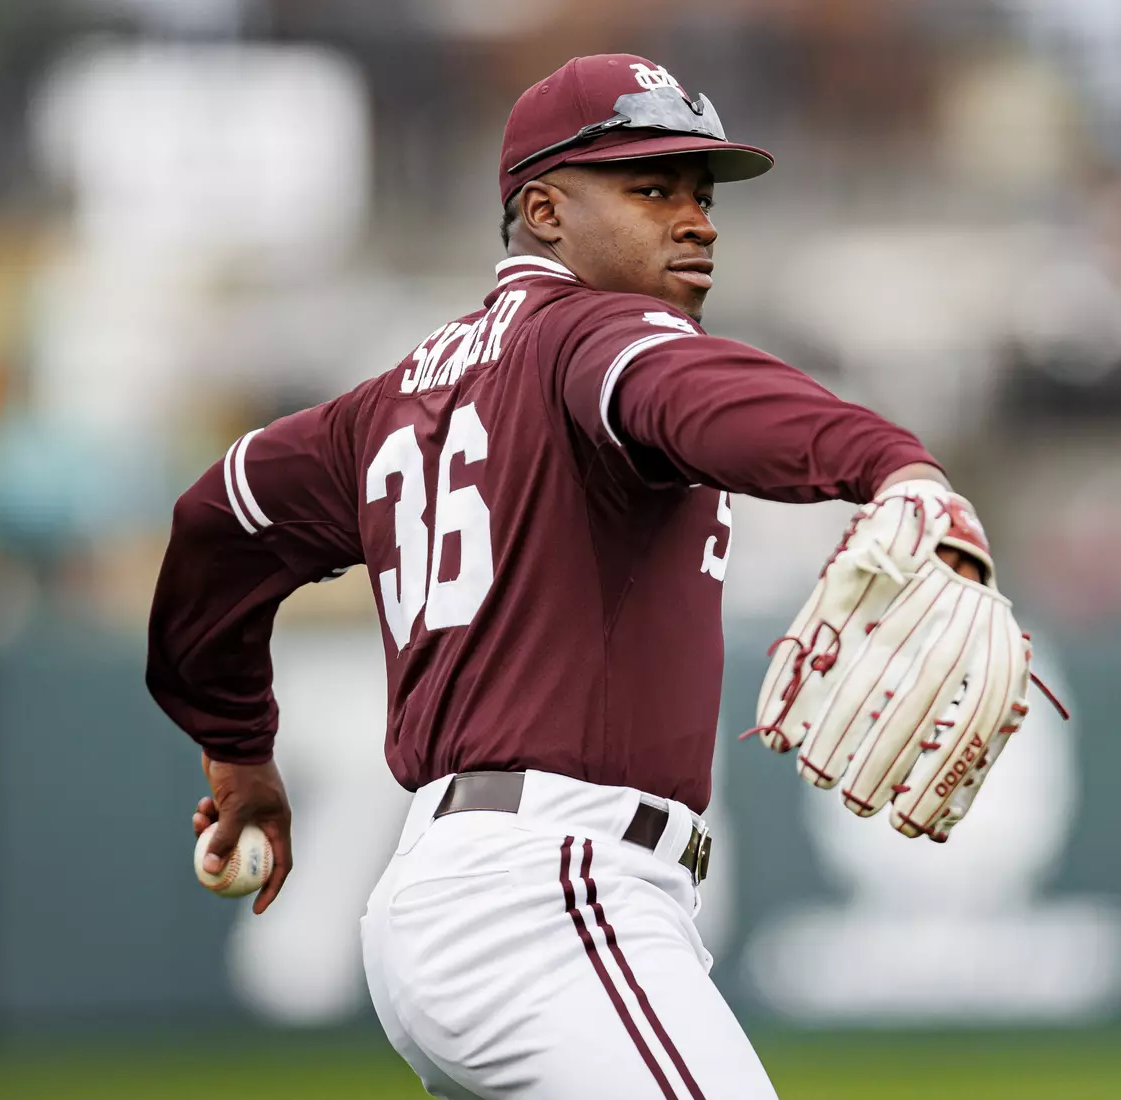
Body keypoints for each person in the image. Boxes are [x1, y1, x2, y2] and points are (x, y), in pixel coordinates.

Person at [147, 54, 1025, 1100]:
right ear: (544, 209)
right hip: (548, 895)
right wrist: (890, 463)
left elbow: (216, 521)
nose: (697, 220)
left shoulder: (378, 409)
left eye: (703, 193)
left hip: (475, 896)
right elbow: (699, 393)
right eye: (652, 188)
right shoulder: (599, 336)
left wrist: (238, 751)